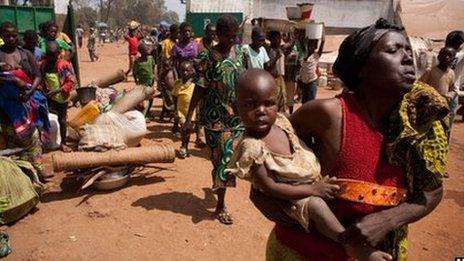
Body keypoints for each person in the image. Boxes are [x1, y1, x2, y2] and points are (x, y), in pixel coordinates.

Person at [264, 18, 447, 260]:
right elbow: (273, 143)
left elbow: (432, 192)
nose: (406, 58)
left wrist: (388, 219)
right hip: (302, 252)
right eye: (393, 50)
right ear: (362, 68)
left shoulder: (420, 122)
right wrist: (270, 192)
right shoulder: (328, 115)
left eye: (407, 50)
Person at [229, 69, 394, 260]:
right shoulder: (252, 146)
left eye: (269, 104)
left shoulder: (283, 123)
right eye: (250, 105)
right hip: (293, 196)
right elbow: (269, 187)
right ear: (236, 107)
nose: (261, 111)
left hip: (311, 182)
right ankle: (349, 244)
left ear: (278, 102)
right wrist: (312, 190)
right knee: (316, 207)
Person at [183, 15, 246, 225]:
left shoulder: (240, 54)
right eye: (228, 36)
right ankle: (221, 204)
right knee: (220, 160)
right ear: (218, 35)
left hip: (236, 118)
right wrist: (189, 118)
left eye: (235, 36)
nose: (232, 40)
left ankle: (219, 200)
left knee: (227, 160)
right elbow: (199, 88)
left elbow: (245, 82)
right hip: (214, 118)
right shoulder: (208, 58)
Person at [0, 22, 51, 179]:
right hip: (4, 107)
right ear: (1, 36)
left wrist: (30, 91)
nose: (11, 38)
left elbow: (37, 75)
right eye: (7, 35)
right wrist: (13, 79)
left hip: (26, 104)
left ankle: (36, 169)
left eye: (14, 35)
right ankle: (17, 175)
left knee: (33, 138)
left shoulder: (25, 54)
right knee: (9, 141)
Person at [40, 41, 77, 152]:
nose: (51, 58)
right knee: (44, 118)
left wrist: (57, 91)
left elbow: (71, 81)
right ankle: (46, 141)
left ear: (58, 53)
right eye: (49, 55)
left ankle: (63, 142)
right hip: (47, 95)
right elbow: (41, 79)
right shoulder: (43, 65)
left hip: (61, 97)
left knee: (62, 119)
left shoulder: (64, 65)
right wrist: (44, 91)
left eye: (53, 55)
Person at [419, 47, 456, 127]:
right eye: (444, 55)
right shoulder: (430, 71)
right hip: (429, 106)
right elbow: (420, 85)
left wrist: (450, 95)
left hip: (443, 107)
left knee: (442, 128)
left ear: (453, 59)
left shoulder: (452, 73)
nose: (447, 57)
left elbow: (452, 89)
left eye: (450, 55)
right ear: (439, 56)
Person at [172, 60, 202, 158]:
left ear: (192, 71)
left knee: (188, 130)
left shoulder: (195, 85)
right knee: (184, 129)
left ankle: (185, 146)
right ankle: (183, 146)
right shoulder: (178, 83)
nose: (184, 73)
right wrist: (175, 111)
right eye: (182, 70)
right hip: (181, 112)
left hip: (192, 112)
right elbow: (175, 97)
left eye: (187, 71)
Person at [298, 26, 325, 104]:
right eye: (309, 44)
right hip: (304, 82)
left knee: (310, 102)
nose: (311, 46)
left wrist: (323, 30)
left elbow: (323, 42)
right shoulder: (304, 53)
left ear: (315, 46)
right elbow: (301, 42)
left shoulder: (316, 55)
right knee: (304, 102)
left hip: (311, 82)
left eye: (313, 45)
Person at [158, 24, 179, 121]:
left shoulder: (177, 42)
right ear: (172, 32)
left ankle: (166, 113)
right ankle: (169, 113)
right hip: (169, 69)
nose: (178, 35)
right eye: (177, 33)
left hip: (177, 69)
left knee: (173, 92)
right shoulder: (166, 42)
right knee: (168, 92)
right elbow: (166, 58)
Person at [445, 31, 464, 123]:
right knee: (449, 119)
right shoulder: (461, 55)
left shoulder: (441, 53)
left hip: (440, 90)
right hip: (452, 92)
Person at [265, 30, 287, 112]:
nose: (279, 41)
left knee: (282, 102)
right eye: (277, 39)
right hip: (272, 80)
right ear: (272, 39)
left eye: (279, 38)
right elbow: (267, 68)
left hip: (280, 79)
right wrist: (276, 58)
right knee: (274, 102)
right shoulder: (269, 51)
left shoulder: (279, 49)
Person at [133, 42, 156, 117]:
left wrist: (154, 76)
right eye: (146, 51)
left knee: (151, 98)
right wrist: (136, 81)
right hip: (142, 84)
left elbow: (153, 67)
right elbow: (134, 72)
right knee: (143, 100)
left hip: (150, 83)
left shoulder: (150, 59)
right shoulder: (137, 61)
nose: (148, 53)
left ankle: (148, 111)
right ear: (141, 52)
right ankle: (144, 114)